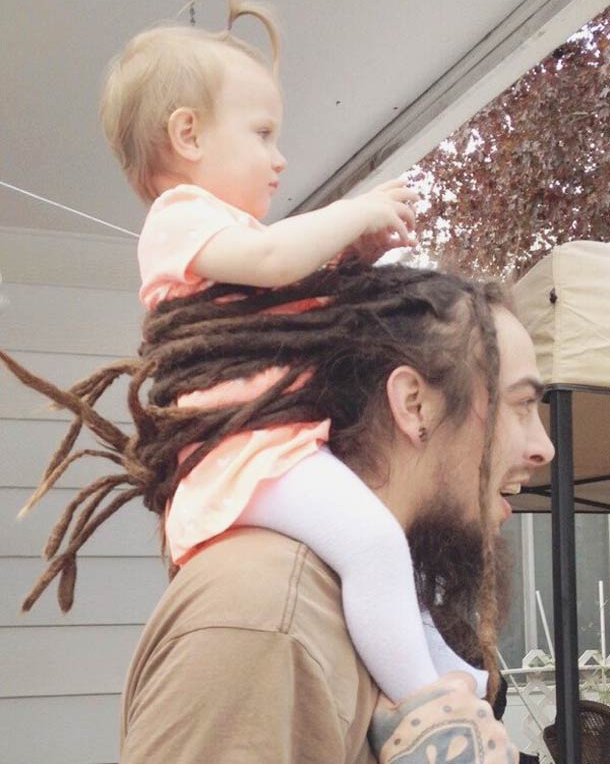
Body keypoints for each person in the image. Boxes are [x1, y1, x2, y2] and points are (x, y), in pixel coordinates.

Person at [0, 261, 553, 761]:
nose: (543, 448)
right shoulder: (267, 620)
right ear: (414, 405)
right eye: (522, 406)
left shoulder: (360, 603)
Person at [93, 0, 451, 706]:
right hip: (244, 459)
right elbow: (275, 264)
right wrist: (353, 209)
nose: (280, 158)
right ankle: (427, 712)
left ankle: (456, 677)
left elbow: (294, 288)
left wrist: (354, 255)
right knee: (375, 544)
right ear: (188, 135)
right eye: (261, 134)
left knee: (391, 547)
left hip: (274, 451)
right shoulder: (179, 214)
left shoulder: (230, 239)